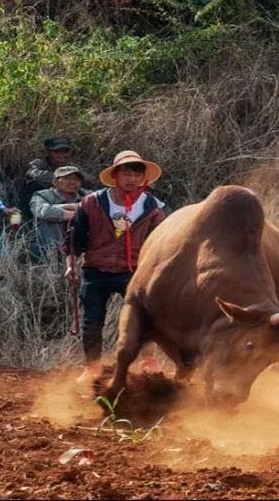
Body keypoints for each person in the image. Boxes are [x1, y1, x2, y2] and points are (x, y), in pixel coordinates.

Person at [64, 150, 168, 382]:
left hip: (133, 271)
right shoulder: (92, 202)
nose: (132, 179)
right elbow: (75, 236)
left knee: (144, 319)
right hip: (96, 269)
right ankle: (92, 366)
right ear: (116, 175)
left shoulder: (152, 207)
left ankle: (148, 361)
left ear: (144, 178)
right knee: (92, 320)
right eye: (127, 173)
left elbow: (160, 241)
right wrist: (70, 264)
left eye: (137, 174)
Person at [20, 136, 98, 220]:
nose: (61, 155)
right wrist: (62, 178)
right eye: (56, 151)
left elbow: (91, 180)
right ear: (47, 152)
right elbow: (33, 175)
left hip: (66, 206)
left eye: (65, 151)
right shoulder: (38, 164)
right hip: (36, 206)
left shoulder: (72, 166)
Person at [30, 165, 89, 265]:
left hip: (80, 251)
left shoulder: (88, 195)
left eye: (76, 179)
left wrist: (57, 208)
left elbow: (101, 211)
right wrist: (74, 210)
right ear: (55, 182)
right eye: (67, 178)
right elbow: (43, 211)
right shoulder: (41, 195)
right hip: (48, 249)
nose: (72, 182)